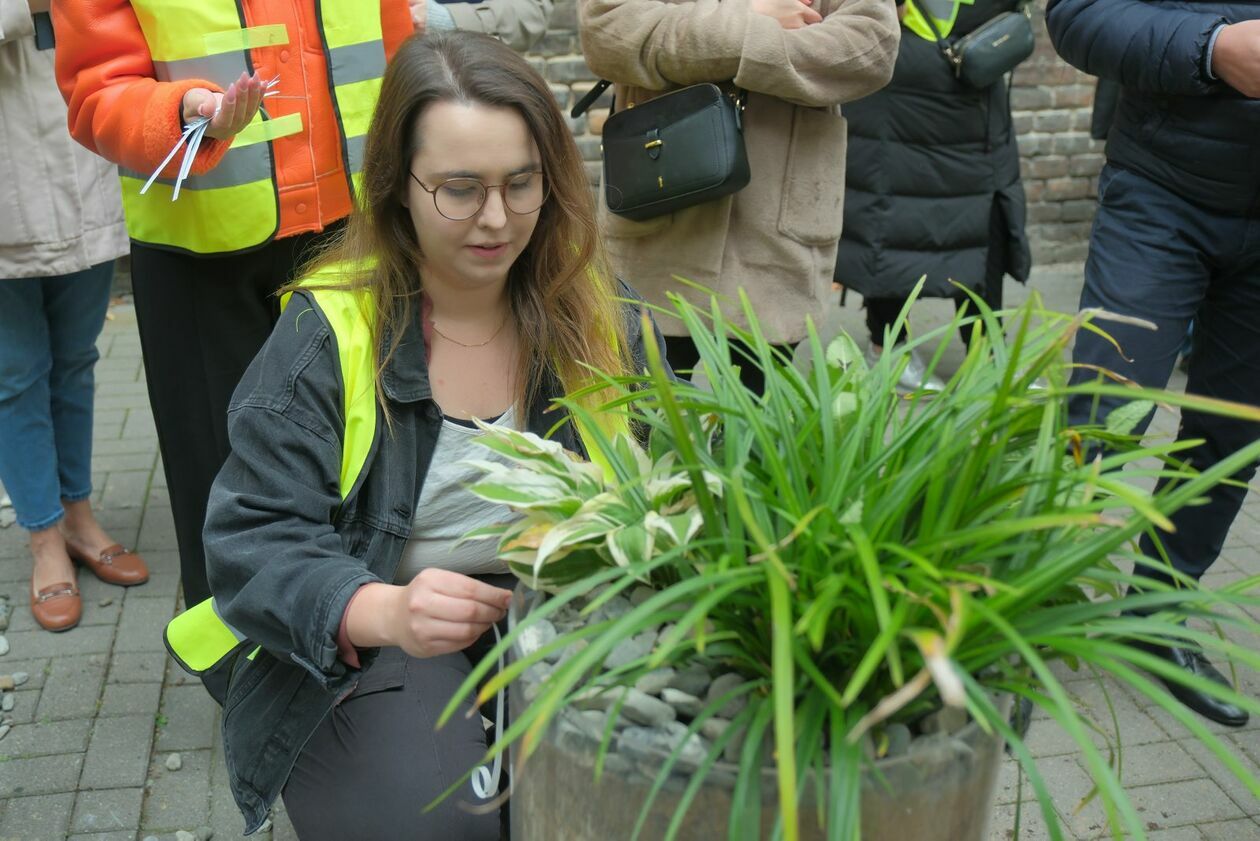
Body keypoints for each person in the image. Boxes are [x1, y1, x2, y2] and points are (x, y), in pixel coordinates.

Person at [197, 31, 667, 837]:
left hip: (567, 608)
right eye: (460, 189)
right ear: (397, 187)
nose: (497, 219)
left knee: (623, 800)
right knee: (436, 819)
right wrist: (381, 609)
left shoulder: (598, 308)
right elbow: (252, 539)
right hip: (386, 628)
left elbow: (672, 467)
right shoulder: (328, 331)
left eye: (522, 184)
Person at [51, 0, 550, 629]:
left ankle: (362, 642)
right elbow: (97, 90)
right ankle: (240, 677)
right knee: (222, 490)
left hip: (361, 226)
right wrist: (185, 112)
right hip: (204, 252)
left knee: (371, 459)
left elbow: (398, 45)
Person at [1047, 1, 1260, 727]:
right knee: (1106, 409)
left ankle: (1157, 616)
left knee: (1235, 434)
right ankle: (1024, 618)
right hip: (1162, 193)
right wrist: (1212, 49)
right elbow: (1078, 14)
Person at [577, 0, 900, 393]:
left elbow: (870, 45)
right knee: (643, 423)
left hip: (777, 230)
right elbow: (609, 30)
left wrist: (710, 44)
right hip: (658, 218)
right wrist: (752, 23)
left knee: (758, 431)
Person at [0, 0, 149, 632]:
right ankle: (43, 538)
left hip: (86, 164)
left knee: (77, 360)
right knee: (15, 373)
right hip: (9, 177)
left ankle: (79, 515)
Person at [834, 0, 1032, 392]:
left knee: (984, 223)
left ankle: (988, 354)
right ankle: (889, 350)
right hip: (902, 91)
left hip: (972, 81)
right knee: (891, 221)